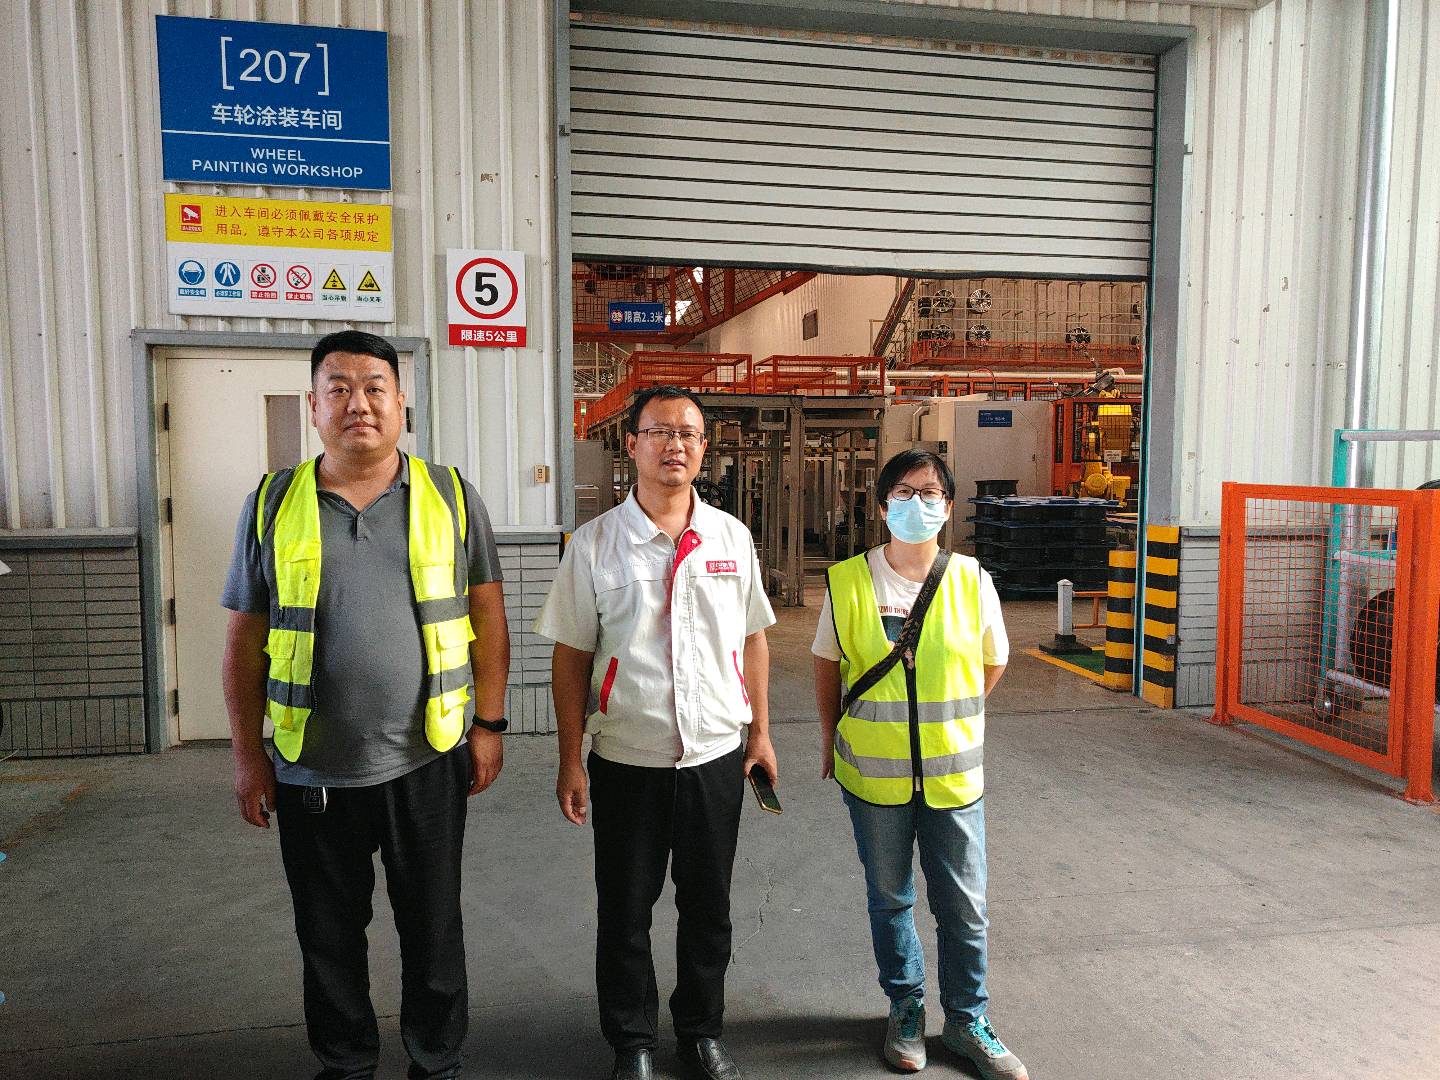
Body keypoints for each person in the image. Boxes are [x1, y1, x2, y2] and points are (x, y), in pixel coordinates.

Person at [221, 329, 510, 1080]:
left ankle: (435, 1059)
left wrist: (489, 723)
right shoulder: (272, 503)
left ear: (401, 403)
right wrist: (249, 756)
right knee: (327, 933)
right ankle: (346, 1062)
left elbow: (488, 617)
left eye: (375, 387)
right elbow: (245, 639)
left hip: (428, 757)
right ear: (313, 406)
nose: (359, 403)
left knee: (433, 927)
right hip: (311, 765)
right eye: (340, 389)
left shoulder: (451, 496)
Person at [534, 385, 777, 1080]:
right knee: (625, 911)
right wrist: (571, 758)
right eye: (659, 431)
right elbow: (571, 657)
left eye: (689, 434)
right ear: (632, 444)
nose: (675, 445)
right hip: (626, 759)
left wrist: (760, 733)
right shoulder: (594, 545)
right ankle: (633, 1042)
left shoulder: (731, 537)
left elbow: (754, 639)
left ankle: (701, 1032)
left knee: (709, 908)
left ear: (703, 448)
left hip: (714, 757)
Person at [812, 448, 1027, 1080]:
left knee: (964, 907)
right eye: (903, 492)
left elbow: (992, 662)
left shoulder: (971, 580)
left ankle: (967, 1019)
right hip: (873, 776)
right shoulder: (848, 580)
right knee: (890, 898)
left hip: (953, 777)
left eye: (930, 493)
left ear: (948, 507)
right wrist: (828, 736)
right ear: (882, 507)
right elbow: (828, 663)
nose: (917, 503)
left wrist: (946, 724)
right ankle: (905, 1007)